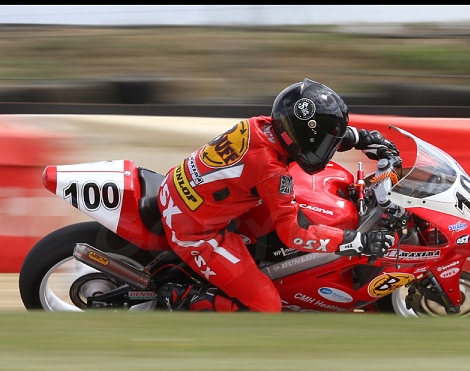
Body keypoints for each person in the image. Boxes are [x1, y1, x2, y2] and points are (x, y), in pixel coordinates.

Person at [157, 78, 398, 312]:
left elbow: (306, 137)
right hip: (195, 233)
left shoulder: (262, 126)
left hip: (182, 192)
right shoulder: (271, 170)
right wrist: (359, 242)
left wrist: (360, 138)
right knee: (266, 306)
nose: (326, 148)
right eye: (324, 142)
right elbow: (294, 234)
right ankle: (180, 297)